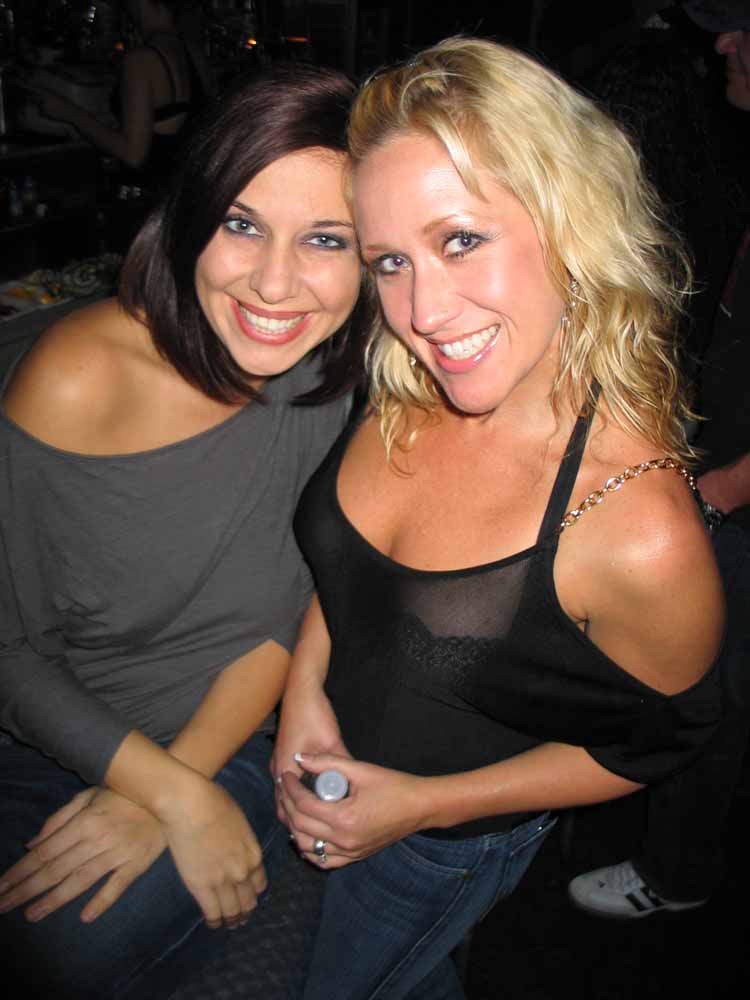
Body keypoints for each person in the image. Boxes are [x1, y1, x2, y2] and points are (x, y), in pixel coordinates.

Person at [271, 35, 725, 1000]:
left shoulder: (637, 529)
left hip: (437, 849)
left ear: (570, 223)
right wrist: (303, 692)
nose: (423, 312)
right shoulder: (408, 383)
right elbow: (354, 574)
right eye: (389, 261)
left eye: (461, 240)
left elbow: (659, 743)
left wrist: (422, 807)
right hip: (318, 763)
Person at [0, 62, 364, 999]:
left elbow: (283, 611)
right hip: (61, 738)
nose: (275, 284)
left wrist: (187, 782)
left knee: (62, 952)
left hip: (232, 730)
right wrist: (165, 794)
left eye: (326, 239)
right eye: (242, 224)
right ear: (189, 220)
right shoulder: (79, 377)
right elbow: (9, 652)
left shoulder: (326, 374)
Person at [568, 0, 750, 921]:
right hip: (693, 451)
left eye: (745, 26)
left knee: (710, 694)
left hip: (723, 494)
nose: (725, 42)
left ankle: (676, 875)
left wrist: (718, 491)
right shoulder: (725, 167)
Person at [34, 0, 213, 193]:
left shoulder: (140, 60)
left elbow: (133, 154)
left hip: (148, 193)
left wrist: (68, 112)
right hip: (186, 191)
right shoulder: (194, 52)